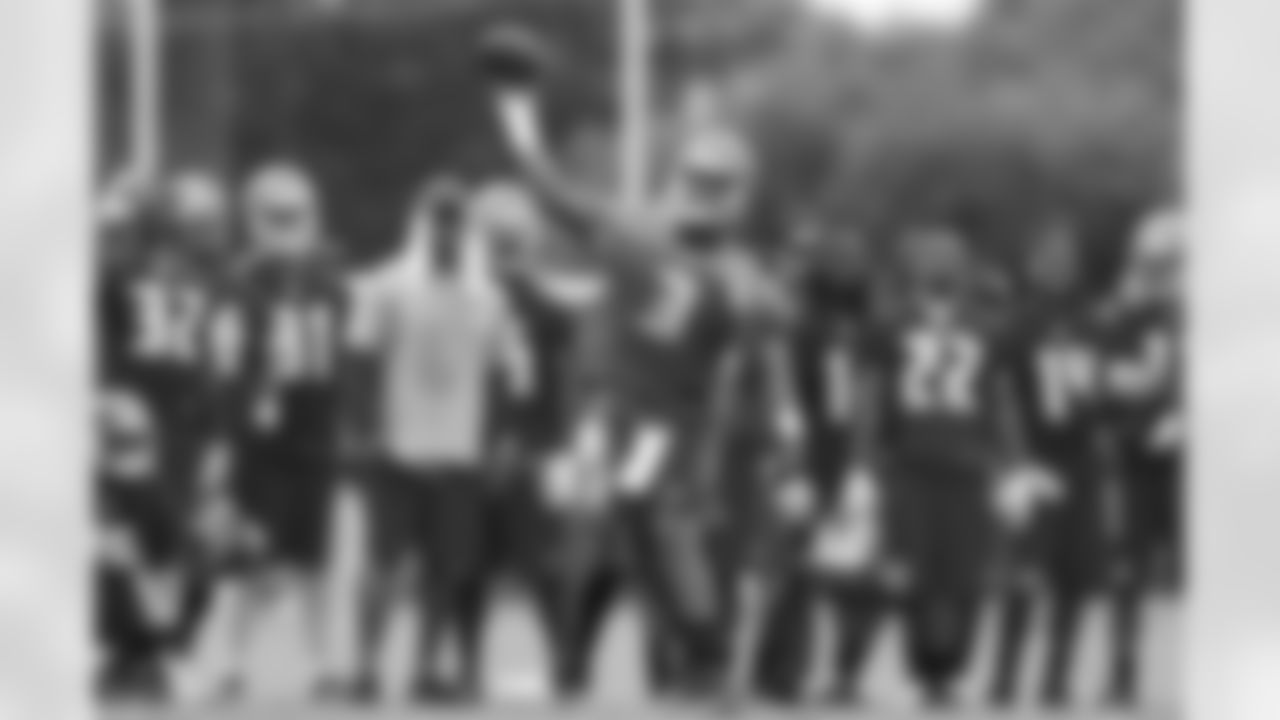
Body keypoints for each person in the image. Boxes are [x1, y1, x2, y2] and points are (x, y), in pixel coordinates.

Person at [481, 28, 790, 702]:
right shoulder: (736, 275)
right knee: (635, 528)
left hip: (641, 418)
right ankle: (693, 658)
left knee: (642, 527)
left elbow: (541, 183)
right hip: (653, 419)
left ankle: (700, 659)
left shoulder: (639, 236)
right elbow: (760, 327)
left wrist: (515, 106)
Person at [343, 177, 530, 703]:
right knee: (383, 564)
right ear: (420, 224)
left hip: (459, 449)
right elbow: (359, 361)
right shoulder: (384, 287)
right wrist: (364, 430)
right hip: (397, 448)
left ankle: (426, 668)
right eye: (438, 220)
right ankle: (365, 667)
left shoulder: (488, 297)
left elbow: (504, 373)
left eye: (455, 222)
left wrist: (502, 438)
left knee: (448, 567)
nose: (446, 233)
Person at [186, 162, 345, 699]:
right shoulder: (238, 284)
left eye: (294, 215)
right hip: (261, 441)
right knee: (256, 558)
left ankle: (322, 664)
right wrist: (227, 432)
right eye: (276, 216)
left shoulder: (328, 282)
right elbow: (220, 364)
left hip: (316, 432)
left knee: (314, 560)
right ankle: (230, 663)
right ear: (254, 218)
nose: (287, 227)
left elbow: (345, 357)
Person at [859, 225, 1028, 707]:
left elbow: (1001, 402)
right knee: (911, 574)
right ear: (914, 272)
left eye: (949, 265)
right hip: (910, 465)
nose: (941, 274)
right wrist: (861, 465)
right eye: (932, 264)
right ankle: (925, 668)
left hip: (968, 468)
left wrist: (1015, 464)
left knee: (965, 576)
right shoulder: (888, 329)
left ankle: (950, 669)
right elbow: (871, 401)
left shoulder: (987, 331)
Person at [96, 170, 236, 697]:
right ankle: (143, 654)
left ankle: (151, 653)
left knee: (177, 547)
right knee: (136, 545)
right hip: (146, 423)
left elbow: (208, 365)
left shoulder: (191, 283)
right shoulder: (130, 279)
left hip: (167, 425)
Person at [987, 217, 1114, 706]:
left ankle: (1056, 678)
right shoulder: (1016, 324)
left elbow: (1101, 393)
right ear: (1033, 262)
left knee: (1075, 575)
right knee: (1025, 573)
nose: (1062, 264)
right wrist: (1017, 462)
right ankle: (1004, 679)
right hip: (1036, 457)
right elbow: (1001, 394)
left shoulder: (1091, 323)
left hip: (1082, 460)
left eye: (1069, 255)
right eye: (1052, 255)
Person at [1099, 207, 1183, 706]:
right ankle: (1123, 667)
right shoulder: (1122, 319)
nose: (1160, 273)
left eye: (1169, 263)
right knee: (1128, 569)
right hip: (1138, 458)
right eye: (1153, 263)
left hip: (1197, 463)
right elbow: (1112, 384)